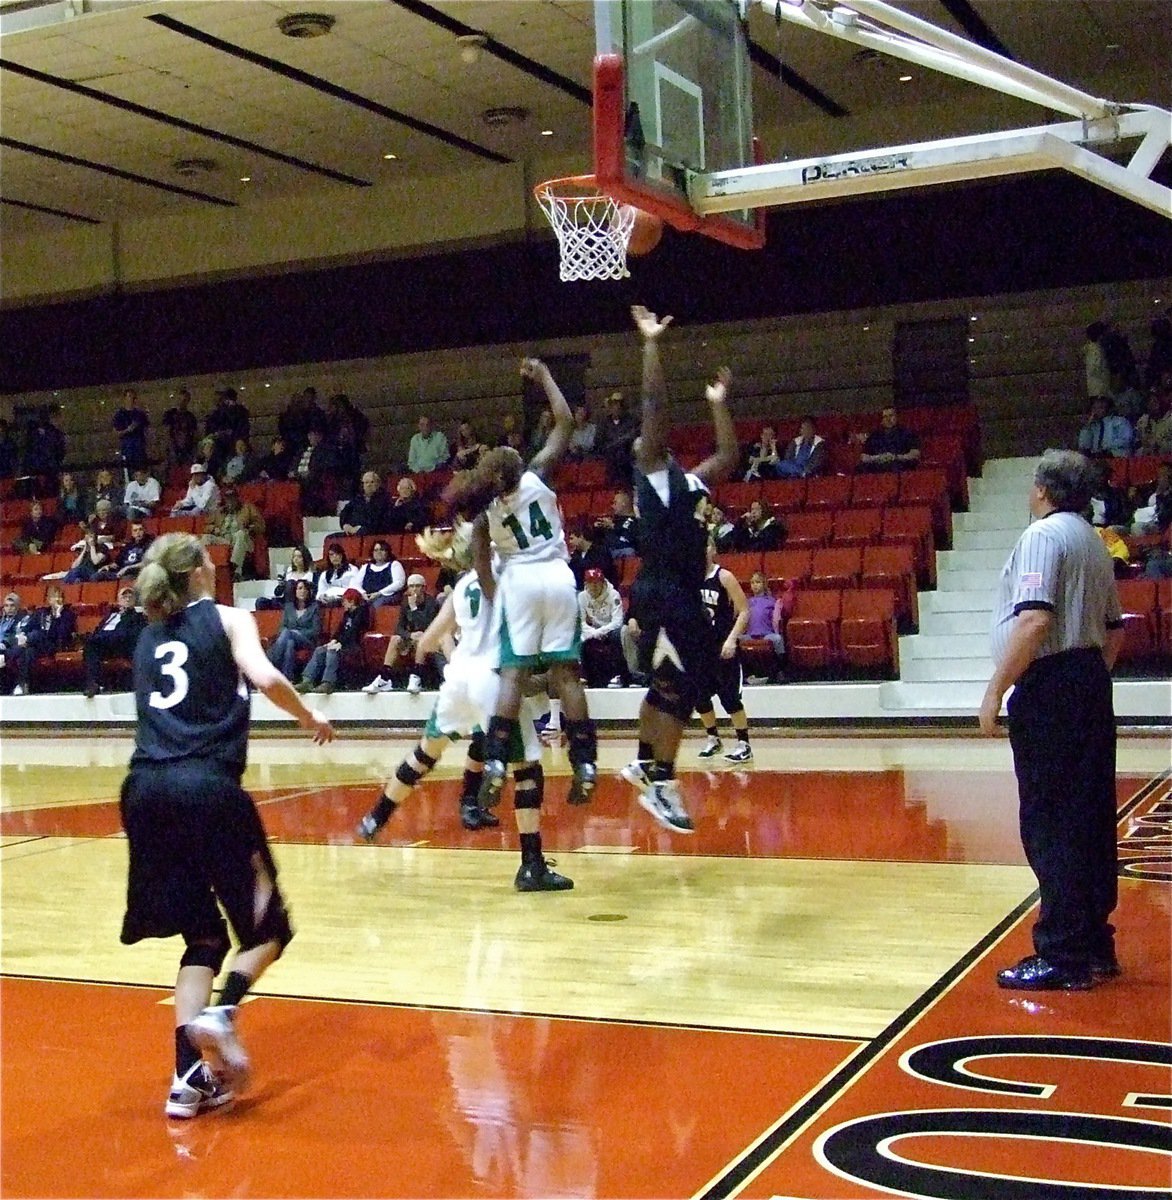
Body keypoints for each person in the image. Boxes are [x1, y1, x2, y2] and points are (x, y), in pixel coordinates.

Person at [118, 533, 332, 1119]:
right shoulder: (230, 619)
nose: (218, 564)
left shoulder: (145, 638)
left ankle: (186, 1081)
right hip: (206, 789)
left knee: (203, 939)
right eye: (210, 558)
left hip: (144, 793)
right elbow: (264, 679)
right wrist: (309, 713)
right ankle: (225, 1010)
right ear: (196, 574)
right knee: (269, 931)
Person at [978, 449, 1123, 992]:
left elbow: (1035, 618)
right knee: (1088, 816)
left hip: (1053, 684)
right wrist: (1085, 679)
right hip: (1087, 680)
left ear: (1042, 488)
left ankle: (1061, 953)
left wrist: (997, 690)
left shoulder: (1042, 536)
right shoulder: (1092, 539)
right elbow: (1114, 631)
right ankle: (1093, 943)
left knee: (1051, 819)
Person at [357, 527, 568, 885]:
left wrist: (447, 654)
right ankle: (531, 865)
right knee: (527, 769)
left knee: (426, 753)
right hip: (494, 680)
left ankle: (376, 816)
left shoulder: (461, 587)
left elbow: (426, 642)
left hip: (458, 680)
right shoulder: (506, 571)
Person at [445, 358, 598, 809]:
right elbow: (566, 422)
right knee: (567, 676)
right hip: (556, 576)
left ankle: (494, 761)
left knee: (513, 675)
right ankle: (585, 762)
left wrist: (497, 603)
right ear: (515, 468)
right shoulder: (536, 475)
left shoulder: (482, 515)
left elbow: (482, 570)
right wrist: (546, 377)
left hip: (520, 586)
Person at [620, 305, 738, 834]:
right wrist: (651, 345)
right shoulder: (654, 476)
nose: (654, 437)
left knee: (668, 685)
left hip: (674, 592)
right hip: (667, 590)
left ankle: (645, 763)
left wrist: (718, 405)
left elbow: (729, 456)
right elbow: (654, 406)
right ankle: (661, 782)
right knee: (676, 689)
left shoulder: (687, 482)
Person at [695, 541, 752, 762]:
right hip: (700, 650)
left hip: (723, 647)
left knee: (729, 699)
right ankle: (713, 738)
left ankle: (743, 743)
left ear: (713, 550)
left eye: (706, 546)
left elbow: (745, 610)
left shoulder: (724, 577)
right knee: (700, 697)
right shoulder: (690, 579)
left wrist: (731, 639)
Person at [361, 573, 440, 693]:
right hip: (411, 637)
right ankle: (384, 678)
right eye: (411, 586)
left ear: (424, 587)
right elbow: (399, 628)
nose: (414, 589)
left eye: (417, 586)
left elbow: (425, 626)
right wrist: (409, 635)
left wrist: (414, 608)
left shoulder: (432, 603)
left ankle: (416, 677)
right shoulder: (405, 602)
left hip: (429, 638)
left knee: (421, 638)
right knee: (395, 639)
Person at [295, 586, 369, 694]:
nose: (342, 604)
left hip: (354, 645)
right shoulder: (347, 614)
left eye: (344, 601)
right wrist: (333, 640)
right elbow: (339, 631)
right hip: (342, 643)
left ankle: (328, 682)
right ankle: (307, 680)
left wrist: (340, 643)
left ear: (352, 601)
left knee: (332, 651)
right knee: (320, 650)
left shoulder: (362, 612)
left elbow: (354, 631)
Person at [5, 582, 76, 695]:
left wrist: (58, 616)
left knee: (37, 635)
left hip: (54, 645)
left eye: (59, 596)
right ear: (48, 599)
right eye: (53, 596)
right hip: (36, 646)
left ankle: (5, 656)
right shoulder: (42, 612)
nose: (56, 599)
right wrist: (23, 634)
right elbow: (28, 627)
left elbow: (62, 635)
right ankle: (23, 684)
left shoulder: (68, 614)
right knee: (28, 652)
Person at [82, 586, 147, 698]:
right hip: (104, 643)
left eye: (130, 596)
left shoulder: (137, 616)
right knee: (91, 646)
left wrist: (126, 614)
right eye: (124, 596)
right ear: (118, 600)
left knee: (94, 642)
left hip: (122, 645)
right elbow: (99, 630)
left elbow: (130, 634)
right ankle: (94, 683)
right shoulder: (111, 616)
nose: (127, 598)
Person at [577, 567, 628, 688]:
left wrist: (600, 632)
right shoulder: (582, 597)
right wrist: (593, 632)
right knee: (578, 637)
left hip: (610, 630)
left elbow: (617, 621)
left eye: (596, 583)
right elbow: (581, 622)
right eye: (590, 583)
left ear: (603, 583)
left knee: (618, 634)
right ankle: (584, 674)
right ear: (586, 584)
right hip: (593, 631)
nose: (593, 587)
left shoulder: (613, 595)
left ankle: (621, 674)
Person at [202, 486, 264, 581]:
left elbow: (260, 525)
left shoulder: (248, 508)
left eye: (232, 498)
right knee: (205, 537)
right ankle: (204, 567)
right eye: (228, 499)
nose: (230, 501)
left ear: (237, 498)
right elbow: (206, 526)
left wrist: (249, 528)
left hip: (243, 540)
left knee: (240, 534)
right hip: (225, 539)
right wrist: (214, 529)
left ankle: (236, 570)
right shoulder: (219, 511)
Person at [265, 579, 321, 680]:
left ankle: (269, 664)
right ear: (294, 591)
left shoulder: (314, 607)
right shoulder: (289, 607)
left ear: (309, 592)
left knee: (288, 633)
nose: (302, 591)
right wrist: (290, 633)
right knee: (290, 643)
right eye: (299, 588)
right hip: (288, 640)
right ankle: (287, 678)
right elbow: (282, 627)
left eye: (305, 589)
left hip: (306, 641)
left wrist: (297, 633)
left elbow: (315, 630)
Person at [856, 407, 921, 473]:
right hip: (878, 464)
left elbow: (915, 454)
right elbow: (863, 457)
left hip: (899, 465)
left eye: (891, 416)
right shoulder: (874, 436)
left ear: (896, 417)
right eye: (885, 417)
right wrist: (878, 458)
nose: (888, 419)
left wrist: (895, 457)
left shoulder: (907, 434)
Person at [337, 471, 392, 538]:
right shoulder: (357, 499)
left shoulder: (385, 499)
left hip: (374, 534)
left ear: (378, 484)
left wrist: (359, 528)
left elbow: (380, 522)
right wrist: (345, 525)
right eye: (366, 482)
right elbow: (344, 513)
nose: (369, 485)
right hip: (354, 532)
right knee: (332, 538)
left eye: (372, 482)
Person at [357, 539, 406, 607]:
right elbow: (356, 584)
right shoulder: (366, 567)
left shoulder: (394, 564)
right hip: (368, 596)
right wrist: (363, 593)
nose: (378, 552)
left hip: (387, 596)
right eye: (376, 550)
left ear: (387, 552)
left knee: (377, 603)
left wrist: (379, 593)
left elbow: (399, 583)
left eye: (382, 550)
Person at [112, 389, 150, 472]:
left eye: (133, 397)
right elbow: (116, 433)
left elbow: (147, 429)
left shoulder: (140, 414)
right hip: (127, 448)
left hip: (140, 448)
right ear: (125, 398)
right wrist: (127, 430)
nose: (131, 399)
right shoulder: (119, 414)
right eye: (129, 396)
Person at [162, 389, 199, 467]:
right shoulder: (169, 414)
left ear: (188, 401)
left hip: (188, 449)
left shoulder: (190, 417)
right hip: (173, 448)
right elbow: (166, 432)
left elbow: (195, 434)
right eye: (180, 399)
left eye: (184, 400)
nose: (181, 402)